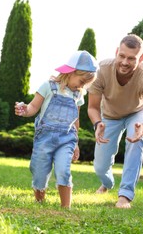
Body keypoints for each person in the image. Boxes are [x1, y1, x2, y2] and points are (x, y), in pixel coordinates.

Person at [15, 50, 98, 208]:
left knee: (63, 170)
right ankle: (39, 202)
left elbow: (76, 120)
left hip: (66, 139)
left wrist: (76, 143)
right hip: (44, 138)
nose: (81, 86)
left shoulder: (78, 95)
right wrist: (24, 110)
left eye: (84, 84)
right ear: (71, 72)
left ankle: (65, 207)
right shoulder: (48, 86)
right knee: (39, 170)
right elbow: (33, 107)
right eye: (81, 81)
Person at [87, 34, 143, 209]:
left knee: (136, 138)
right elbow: (93, 107)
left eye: (131, 58)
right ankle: (107, 183)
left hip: (135, 114)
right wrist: (97, 124)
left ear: (140, 58)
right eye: (122, 56)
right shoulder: (101, 70)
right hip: (109, 116)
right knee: (100, 166)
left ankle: (125, 196)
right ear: (117, 52)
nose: (125, 62)